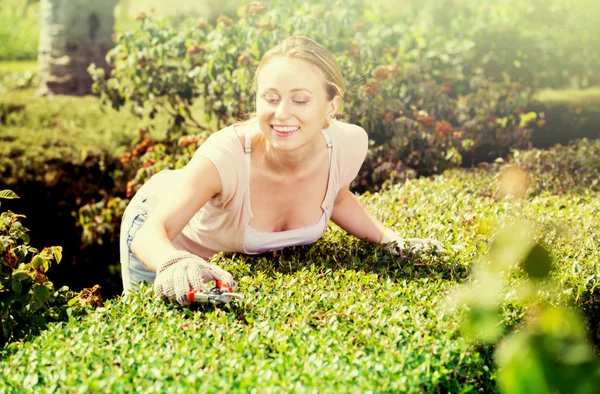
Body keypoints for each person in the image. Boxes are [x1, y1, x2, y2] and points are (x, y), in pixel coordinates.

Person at [119, 36, 443, 306]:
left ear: (331, 106)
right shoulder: (226, 156)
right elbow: (151, 233)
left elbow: (338, 199)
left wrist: (392, 241)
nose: (282, 114)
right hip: (164, 228)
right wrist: (173, 263)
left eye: (300, 100)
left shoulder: (347, 144)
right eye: (270, 98)